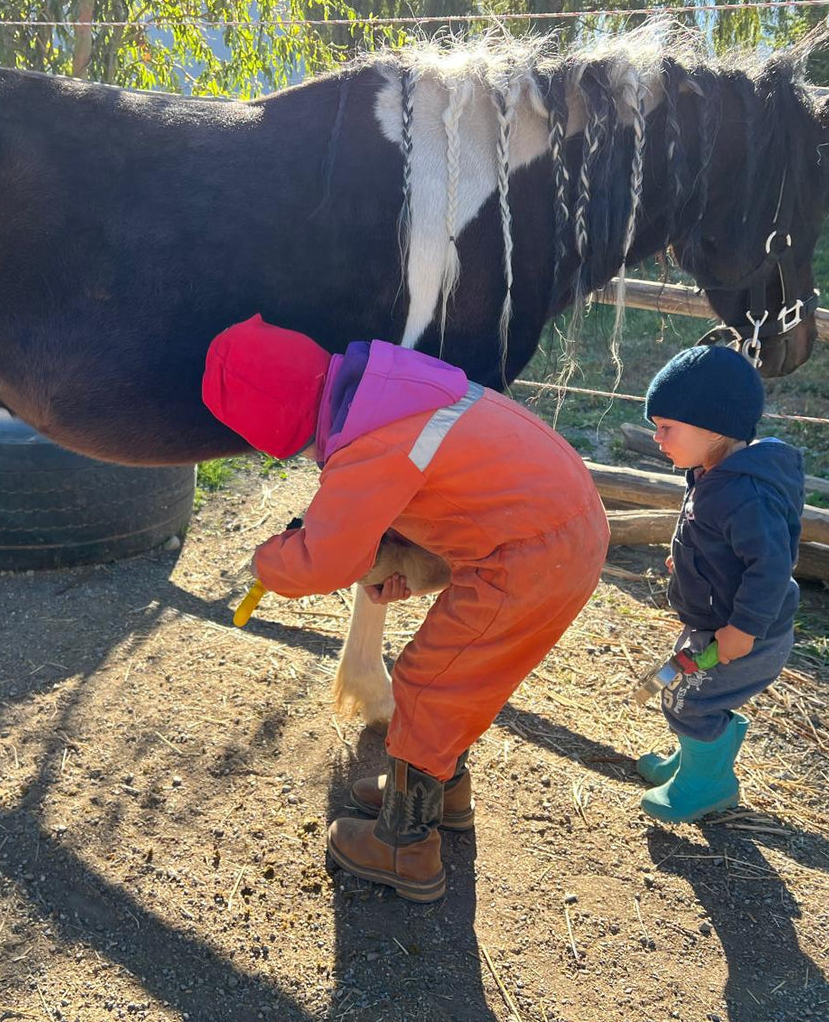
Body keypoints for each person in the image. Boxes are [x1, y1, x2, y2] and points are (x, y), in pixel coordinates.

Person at [201, 314, 609, 902]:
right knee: (457, 676)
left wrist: (269, 562)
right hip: (553, 525)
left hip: (531, 556)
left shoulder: (371, 446)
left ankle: (405, 845)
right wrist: (406, 565)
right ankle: (439, 790)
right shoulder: (390, 393)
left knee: (429, 683)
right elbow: (455, 495)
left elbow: (322, 560)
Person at [638, 345, 804, 823]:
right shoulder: (710, 471)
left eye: (667, 427)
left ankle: (708, 783)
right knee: (680, 685)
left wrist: (744, 629)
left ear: (714, 427)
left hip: (745, 633)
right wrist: (691, 560)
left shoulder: (745, 495)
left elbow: (771, 568)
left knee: (690, 699)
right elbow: (718, 540)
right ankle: (697, 757)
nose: (657, 437)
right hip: (711, 618)